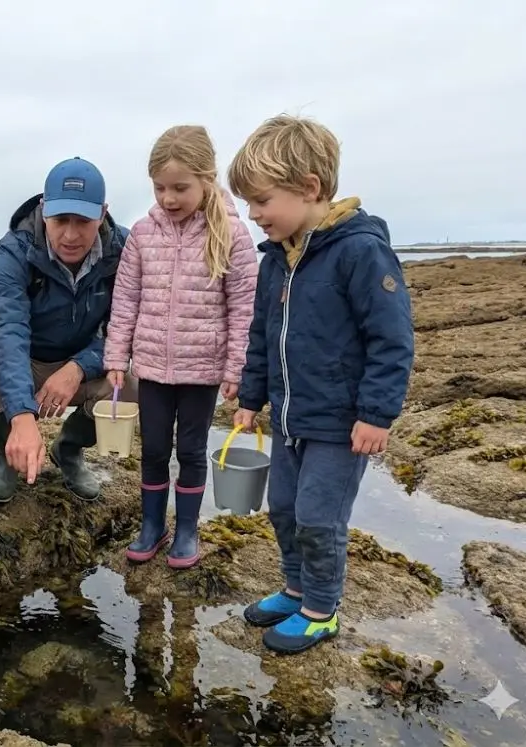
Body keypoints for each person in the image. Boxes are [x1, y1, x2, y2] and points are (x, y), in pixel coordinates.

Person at [228, 114, 415, 654]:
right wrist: (251, 398)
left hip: (339, 424)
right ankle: (294, 588)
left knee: (318, 515)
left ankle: (321, 608)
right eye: (247, 203)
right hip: (289, 416)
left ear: (309, 188)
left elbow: (392, 337)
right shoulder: (276, 262)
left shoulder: (360, 252)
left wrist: (377, 414)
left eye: (262, 200)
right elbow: (262, 335)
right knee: (283, 507)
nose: (254, 213)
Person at [104, 125, 258, 570]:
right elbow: (126, 298)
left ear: (207, 180)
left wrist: (236, 369)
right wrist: (117, 357)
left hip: (202, 370)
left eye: (180, 188)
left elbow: (244, 307)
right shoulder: (141, 233)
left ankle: (187, 529)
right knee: (153, 449)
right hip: (151, 366)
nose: (169, 198)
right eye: (160, 188)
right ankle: (152, 525)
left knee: (190, 451)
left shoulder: (230, 232)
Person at [0, 157, 137, 504]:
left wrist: (78, 367)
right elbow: (7, 330)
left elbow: (127, 329)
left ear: (102, 213)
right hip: (24, 359)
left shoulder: (123, 251)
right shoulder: (14, 250)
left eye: (83, 221)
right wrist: (22, 418)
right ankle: (6, 456)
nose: (70, 235)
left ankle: (68, 450)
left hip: (81, 361)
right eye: (60, 220)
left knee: (135, 382)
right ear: (44, 210)